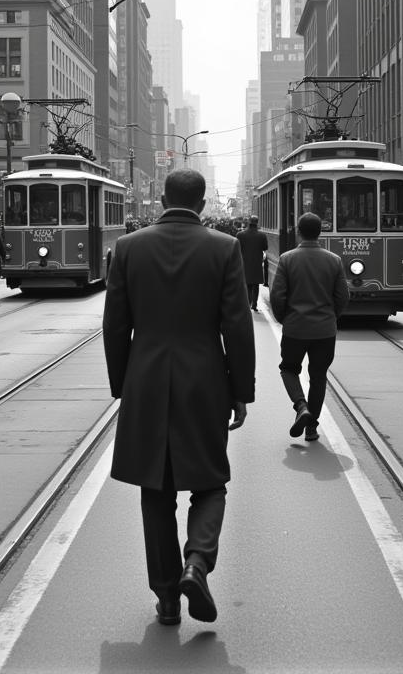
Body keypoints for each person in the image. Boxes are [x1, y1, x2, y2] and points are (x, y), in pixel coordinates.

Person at [102, 169, 255, 627]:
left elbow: (114, 326)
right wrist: (241, 390)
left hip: (145, 382)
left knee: (156, 490)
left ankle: (167, 598)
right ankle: (197, 564)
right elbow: (236, 326)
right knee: (210, 483)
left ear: (162, 196)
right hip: (204, 382)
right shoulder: (223, 248)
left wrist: (122, 384)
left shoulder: (128, 249)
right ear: (203, 204)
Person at [269, 211, 350, 441]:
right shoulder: (333, 260)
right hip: (324, 330)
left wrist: (284, 318)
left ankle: (300, 406)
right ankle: (312, 427)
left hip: (295, 328)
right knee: (318, 376)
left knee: (288, 369)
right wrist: (331, 317)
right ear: (320, 232)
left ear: (298, 231)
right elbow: (343, 297)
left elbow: (277, 296)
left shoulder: (287, 259)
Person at [235, 214, 269, 311]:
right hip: (257, 261)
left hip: (244, 262)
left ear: (248, 222)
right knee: (256, 284)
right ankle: (254, 305)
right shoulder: (262, 235)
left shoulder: (240, 235)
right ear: (257, 223)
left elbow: (237, 248)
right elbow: (265, 247)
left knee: (247, 284)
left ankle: (247, 303)